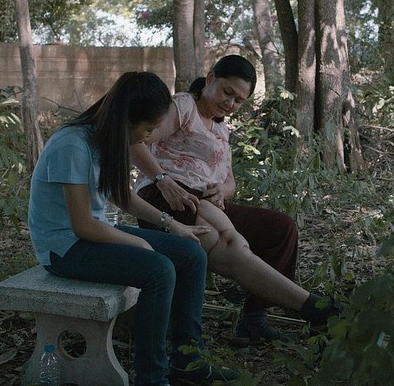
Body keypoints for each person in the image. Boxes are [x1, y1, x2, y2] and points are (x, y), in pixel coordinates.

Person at [28, 71, 240, 386]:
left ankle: (189, 361)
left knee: (191, 253)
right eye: (148, 129)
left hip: (93, 235)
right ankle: (152, 378)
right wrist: (136, 243)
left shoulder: (104, 138)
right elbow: (83, 225)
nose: (148, 137)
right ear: (126, 120)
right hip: (64, 249)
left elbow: (120, 195)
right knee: (159, 270)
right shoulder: (71, 145)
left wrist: (171, 224)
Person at [131, 55, 338, 347]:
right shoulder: (184, 106)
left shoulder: (221, 129)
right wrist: (162, 180)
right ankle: (316, 309)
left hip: (206, 203)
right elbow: (134, 140)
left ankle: (254, 320)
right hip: (166, 198)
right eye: (228, 92)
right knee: (228, 242)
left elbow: (229, 181)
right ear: (210, 78)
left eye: (239, 100)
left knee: (281, 228)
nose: (231, 104)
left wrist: (222, 192)